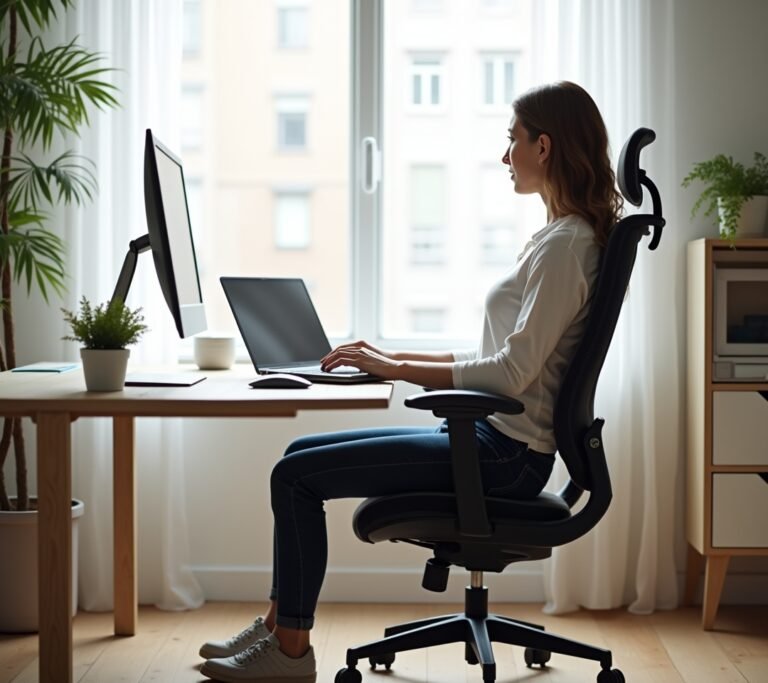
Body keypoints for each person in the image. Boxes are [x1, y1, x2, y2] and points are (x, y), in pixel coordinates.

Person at [199, 80, 623, 683]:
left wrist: (395, 369)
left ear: (545, 147)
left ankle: (290, 653)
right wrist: (387, 353)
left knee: (294, 477)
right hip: (500, 444)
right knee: (296, 457)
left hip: (505, 457)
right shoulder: (562, 240)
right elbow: (498, 355)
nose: (506, 156)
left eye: (513, 140)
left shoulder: (566, 247)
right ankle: (275, 625)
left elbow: (510, 371)